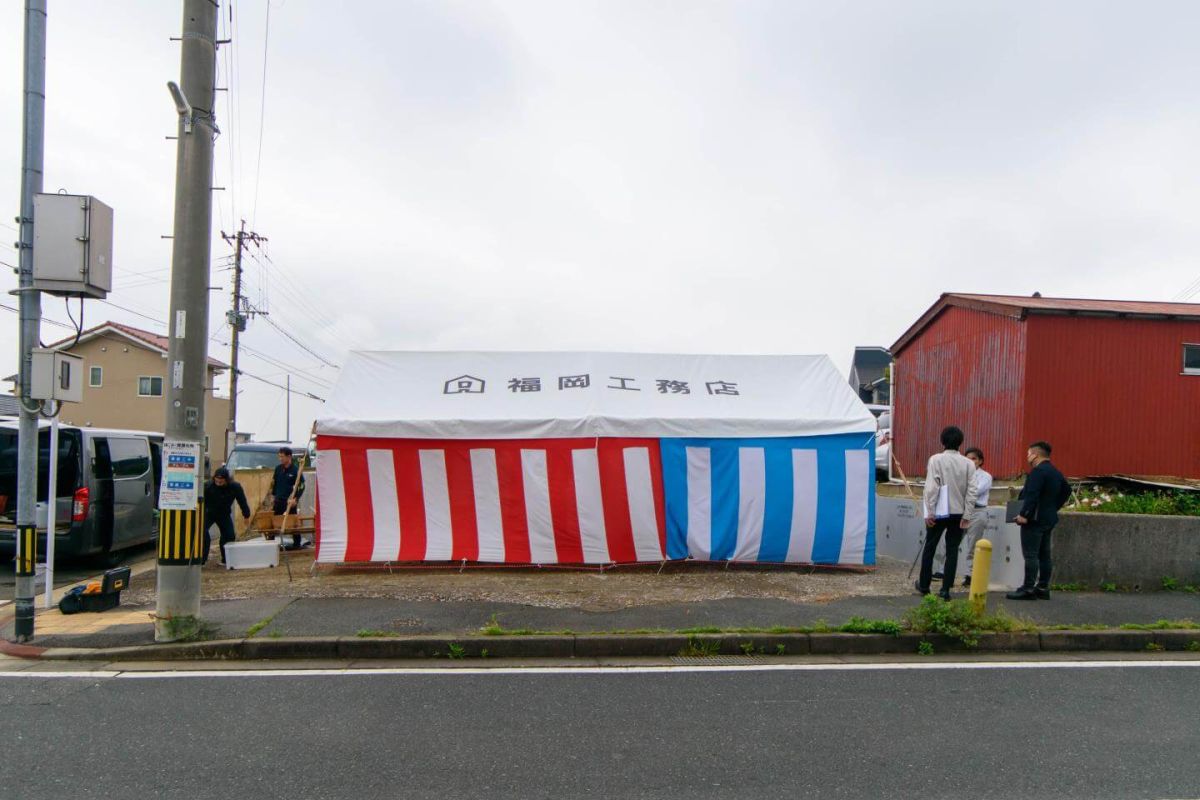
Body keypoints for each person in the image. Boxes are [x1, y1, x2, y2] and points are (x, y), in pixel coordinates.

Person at [917, 425, 979, 599]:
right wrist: (967, 514)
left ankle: (924, 585)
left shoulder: (936, 459)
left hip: (939, 511)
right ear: (960, 442)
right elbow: (972, 490)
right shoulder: (968, 463)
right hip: (959, 512)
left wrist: (929, 511)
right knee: (952, 550)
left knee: (930, 546)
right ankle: (945, 589)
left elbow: (931, 487)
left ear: (942, 441)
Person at [1006, 441, 1070, 600]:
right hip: (1048, 518)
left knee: (1031, 554)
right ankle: (1042, 587)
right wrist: (1053, 507)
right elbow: (1066, 490)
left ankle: (1028, 588)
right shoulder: (1055, 471)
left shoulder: (1038, 472)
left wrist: (1024, 515)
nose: (1027, 457)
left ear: (1035, 454)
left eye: (1028, 454)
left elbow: (1032, 495)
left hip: (1034, 520)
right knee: (1044, 554)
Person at [202, 467, 251, 565]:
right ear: (214, 478)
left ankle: (226, 559)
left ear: (227, 480)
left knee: (229, 535)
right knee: (202, 533)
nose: (219, 482)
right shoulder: (207, 486)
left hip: (224, 514)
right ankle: (202, 559)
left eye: (221, 481)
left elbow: (242, 501)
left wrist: (246, 515)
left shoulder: (235, 487)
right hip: (208, 513)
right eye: (217, 480)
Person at [960, 447, 993, 588]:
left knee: (973, 545)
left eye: (973, 458)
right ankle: (943, 571)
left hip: (977, 511)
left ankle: (971, 575)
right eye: (967, 458)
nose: (970, 461)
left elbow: (976, 491)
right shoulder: (961, 474)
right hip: (961, 510)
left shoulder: (985, 476)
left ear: (980, 461)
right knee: (951, 542)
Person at [267, 446, 306, 550]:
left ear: (289, 457)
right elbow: (274, 484)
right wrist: (272, 495)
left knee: (293, 524)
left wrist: (296, 499)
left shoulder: (295, 470)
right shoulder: (278, 469)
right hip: (278, 501)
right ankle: (270, 545)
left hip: (289, 502)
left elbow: (301, 486)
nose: (280, 459)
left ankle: (297, 544)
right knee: (273, 523)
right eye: (279, 456)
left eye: (282, 456)